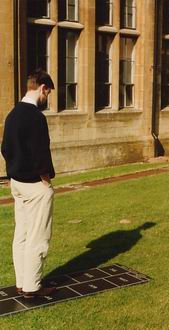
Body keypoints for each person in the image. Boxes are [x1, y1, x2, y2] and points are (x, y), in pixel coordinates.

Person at [1, 69, 56, 298]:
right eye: (48, 93)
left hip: (16, 183)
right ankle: (33, 287)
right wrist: (46, 181)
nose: (47, 98)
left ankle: (22, 282)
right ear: (42, 88)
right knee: (38, 236)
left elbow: (5, 149)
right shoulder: (36, 117)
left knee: (21, 234)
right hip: (35, 186)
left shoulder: (12, 114)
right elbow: (40, 154)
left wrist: (15, 170)